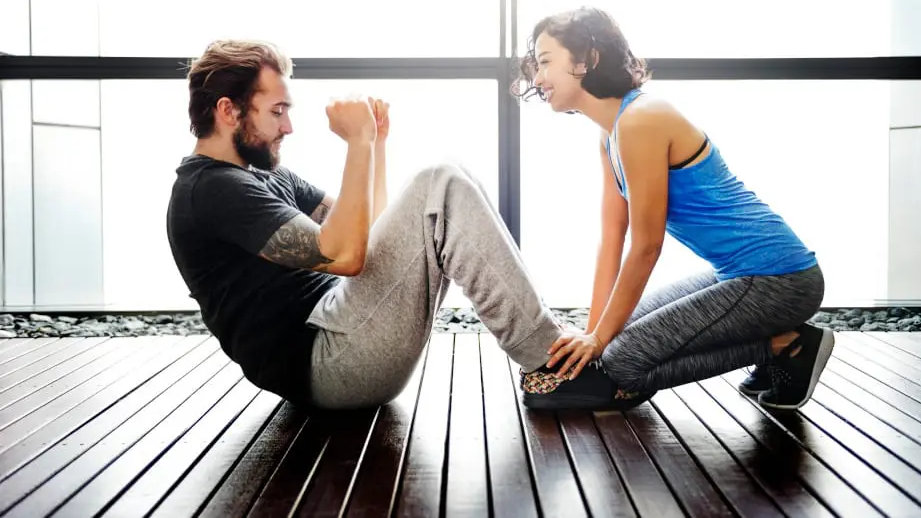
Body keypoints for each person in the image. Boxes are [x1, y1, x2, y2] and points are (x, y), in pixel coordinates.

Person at [166, 39, 649, 412]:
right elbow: (346, 258)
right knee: (437, 181)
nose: (288, 127)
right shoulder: (211, 190)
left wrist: (373, 145)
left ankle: (554, 353)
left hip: (343, 335)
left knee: (448, 177)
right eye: (276, 111)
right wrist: (355, 146)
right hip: (327, 363)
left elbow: (365, 235)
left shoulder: (258, 175)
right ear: (228, 111)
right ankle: (551, 365)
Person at [512, 7, 834, 410]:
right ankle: (776, 344)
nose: (537, 79)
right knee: (614, 333)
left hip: (780, 279)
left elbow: (647, 246)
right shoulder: (609, 134)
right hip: (737, 275)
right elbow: (613, 238)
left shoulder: (641, 121)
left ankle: (785, 344)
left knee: (625, 364)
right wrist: (593, 336)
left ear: (587, 59)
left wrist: (599, 343)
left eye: (544, 63)